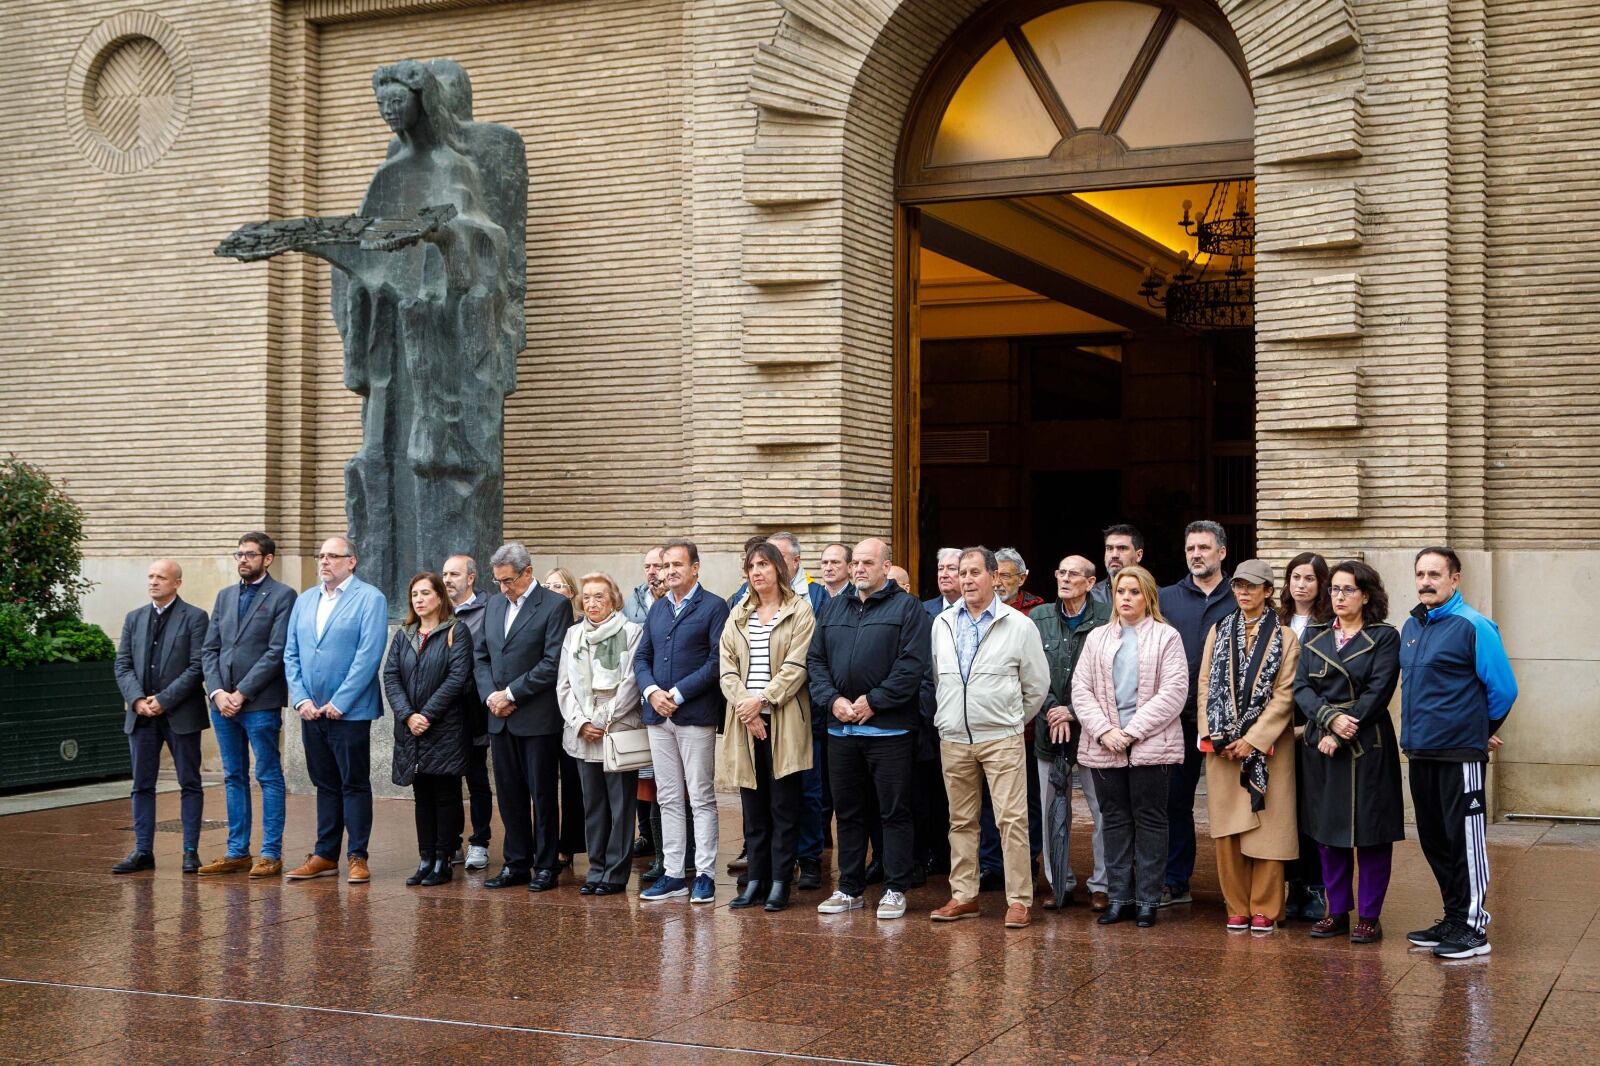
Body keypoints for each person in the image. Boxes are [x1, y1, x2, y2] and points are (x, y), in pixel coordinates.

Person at [1401, 547, 1517, 960]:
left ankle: (1473, 928)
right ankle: (1453, 917)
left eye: (1435, 573)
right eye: (1420, 573)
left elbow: (1504, 689)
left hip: (1459, 755)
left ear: (1455, 579)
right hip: (1420, 752)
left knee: (1465, 841)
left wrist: (1478, 731)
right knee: (1435, 840)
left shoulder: (1474, 625)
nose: (1426, 581)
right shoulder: (1412, 626)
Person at [808, 537, 930, 920]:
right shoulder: (832, 607)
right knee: (848, 812)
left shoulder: (907, 608)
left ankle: (895, 887)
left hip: (889, 731)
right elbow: (816, 662)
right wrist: (834, 701)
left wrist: (872, 701)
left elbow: (911, 666)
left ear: (885, 566)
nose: (859, 568)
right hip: (841, 730)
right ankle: (849, 889)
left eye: (867, 563)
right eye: (855, 562)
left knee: (894, 812)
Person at [928, 546, 1050, 929]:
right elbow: (938, 677)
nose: (965, 579)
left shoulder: (1018, 624)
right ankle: (964, 896)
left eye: (974, 572)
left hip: (1001, 736)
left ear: (994, 577)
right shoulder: (943, 623)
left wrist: (1011, 719)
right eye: (961, 572)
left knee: (1011, 820)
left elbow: (1037, 685)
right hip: (954, 737)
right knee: (960, 821)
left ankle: (1019, 900)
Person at [1073, 565, 1189, 928]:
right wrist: (1106, 731)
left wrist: (1132, 731)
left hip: (1150, 745)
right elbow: (1081, 690)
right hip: (1105, 745)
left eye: (1135, 592)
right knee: (1115, 821)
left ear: (1148, 597)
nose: (1126, 598)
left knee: (1152, 821)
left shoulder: (1166, 637)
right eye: (1121, 591)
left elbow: (1174, 692)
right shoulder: (1097, 638)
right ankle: (1119, 896)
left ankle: (1147, 900)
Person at [1296, 560, 1402, 945]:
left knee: (1372, 835)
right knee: (1327, 834)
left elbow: (1379, 692)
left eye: (1348, 590)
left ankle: (1370, 917)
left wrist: (1342, 731)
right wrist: (1327, 720)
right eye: (1335, 590)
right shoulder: (1314, 634)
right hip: (1321, 742)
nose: (1339, 597)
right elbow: (1301, 687)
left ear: (1366, 595)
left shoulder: (1385, 637)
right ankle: (1337, 911)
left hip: (1366, 745)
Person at [1198, 559, 1301, 935]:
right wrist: (1218, 735)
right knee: (1228, 829)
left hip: (1269, 750)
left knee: (1269, 830)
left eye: (1251, 586)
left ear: (1269, 592)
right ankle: (1237, 906)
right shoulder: (1219, 630)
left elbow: (1284, 695)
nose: (1243, 592)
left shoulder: (1286, 637)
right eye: (1238, 585)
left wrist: (1253, 739)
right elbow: (1206, 685)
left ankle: (1266, 908)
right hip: (1224, 749)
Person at [282, 537, 388, 884]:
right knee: (324, 784)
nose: (325, 562)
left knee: (353, 783)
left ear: (351, 561)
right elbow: (291, 653)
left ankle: (358, 855)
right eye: (322, 556)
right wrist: (301, 700)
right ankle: (325, 855)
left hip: (349, 712)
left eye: (333, 556)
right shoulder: (305, 600)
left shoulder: (370, 598)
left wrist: (340, 702)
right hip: (311, 711)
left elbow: (368, 655)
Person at [719, 542, 815, 912]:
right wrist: (748, 710)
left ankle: (779, 882)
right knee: (753, 810)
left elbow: (797, 667)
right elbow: (726, 666)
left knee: (783, 807)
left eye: (764, 564)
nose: (757, 571)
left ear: (779, 568)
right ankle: (755, 880)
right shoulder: (739, 613)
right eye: (751, 566)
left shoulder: (799, 611)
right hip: (746, 723)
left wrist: (762, 700)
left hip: (784, 720)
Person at [474, 542, 574, 892]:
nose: (504, 588)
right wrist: (491, 696)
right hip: (499, 717)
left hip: (537, 717)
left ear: (528, 572)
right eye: (499, 581)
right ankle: (516, 862)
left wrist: (511, 693)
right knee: (510, 794)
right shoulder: (494, 604)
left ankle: (546, 864)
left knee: (543, 794)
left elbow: (552, 662)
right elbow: (481, 656)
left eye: (509, 580)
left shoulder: (555, 606)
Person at [637, 539, 729, 903]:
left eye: (678, 564)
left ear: (695, 568)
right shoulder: (658, 609)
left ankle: (704, 873)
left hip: (693, 715)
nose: (669, 570)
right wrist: (651, 693)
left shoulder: (714, 607)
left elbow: (717, 661)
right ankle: (673, 873)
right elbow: (641, 657)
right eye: (665, 565)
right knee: (668, 796)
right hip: (657, 717)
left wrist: (675, 694)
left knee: (701, 796)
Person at [198, 533, 294, 878]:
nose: (242, 560)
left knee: (267, 774)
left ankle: (270, 853)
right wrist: (218, 693)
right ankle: (237, 851)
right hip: (222, 704)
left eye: (250, 555)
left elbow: (276, 650)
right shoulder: (224, 597)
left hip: (259, 704)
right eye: (239, 554)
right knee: (232, 775)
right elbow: (210, 650)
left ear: (267, 559)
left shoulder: (283, 595)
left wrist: (242, 694)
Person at [111, 560, 210, 874]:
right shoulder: (134, 618)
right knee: (142, 784)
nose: (153, 582)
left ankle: (190, 851)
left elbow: (198, 667)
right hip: (141, 716)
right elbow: (122, 665)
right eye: (150, 576)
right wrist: (138, 699)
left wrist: (164, 700)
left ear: (177, 583)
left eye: (161, 577)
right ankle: (143, 851)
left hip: (181, 713)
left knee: (190, 783)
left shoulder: (195, 618)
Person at [1156, 519, 1232, 907]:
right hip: (1176, 719)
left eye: (1204, 548)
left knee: (1236, 803)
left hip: (1229, 722)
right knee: (1175, 802)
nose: (1196, 555)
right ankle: (1175, 881)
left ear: (1222, 552)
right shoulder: (1165, 598)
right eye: (1191, 549)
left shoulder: (1240, 596)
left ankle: (1242, 889)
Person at [1029, 554, 1112, 910]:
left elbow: (1110, 677)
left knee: (1102, 810)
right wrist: (1052, 709)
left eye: (1073, 574)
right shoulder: (1039, 617)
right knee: (1050, 809)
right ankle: (1058, 882)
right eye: (1060, 571)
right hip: (1050, 727)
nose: (1064, 578)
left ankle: (1102, 885)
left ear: (1091, 582)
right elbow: (1029, 671)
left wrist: (1075, 712)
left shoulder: (1108, 619)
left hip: (1095, 729)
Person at [556, 573, 645, 896]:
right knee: (592, 805)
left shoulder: (632, 632)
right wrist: (581, 722)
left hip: (616, 730)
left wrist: (603, 720)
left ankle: (616, 873)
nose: (592, 603)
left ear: (614, 600)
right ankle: (595, 870)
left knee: (621, 806)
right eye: (587, 597)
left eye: (599, 597)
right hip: (583, 732)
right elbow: (564, 685)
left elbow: (632, 682)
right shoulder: (572, 635)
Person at [385, 572, 473, 887]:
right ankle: (425, 858)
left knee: (445, 794)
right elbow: (391, 677)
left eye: (425, 593)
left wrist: (427, 715)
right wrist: (409, 715)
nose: (419, 600)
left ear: (439, 596)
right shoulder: (404, 634)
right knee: (421, 793)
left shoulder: (456, 632)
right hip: (411, 729)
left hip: (444, 727)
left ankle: (443, 859)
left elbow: (457, 677)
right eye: (414, 595)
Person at [1278, 552, 1332, 920]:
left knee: (1312, 810)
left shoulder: (1330, 624)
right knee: (1284, 810)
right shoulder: (1275, 619)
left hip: (1312, 728)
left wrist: (1309, 725)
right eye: (1296, 577)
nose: (1301, 585)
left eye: (1310, 579)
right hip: (1276, 728)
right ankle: (1291, 884)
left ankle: (1315, 886)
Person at [441, 553, 492, 870]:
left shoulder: (488, 611)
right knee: (447, 779)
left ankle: (480, 842)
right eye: (445, 574)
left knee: (476, 778)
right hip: (443, 711)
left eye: (454, 574)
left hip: (473, 710)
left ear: (471, 578)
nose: (447, 580)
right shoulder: (437, 610)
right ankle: (452, 842)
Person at [542, 565, 588, 869]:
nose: (551, 590)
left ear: (570, 593)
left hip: (574, 713)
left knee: (573, 782)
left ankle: (568, 844)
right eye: (546, 585)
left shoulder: (582, 627)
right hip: (545, 711)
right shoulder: (540, 621)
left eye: (557, 585)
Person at [1091, 524, 1145, 605]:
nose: (1114, 555)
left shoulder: (1157, 595)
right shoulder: (1091, 595)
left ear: (1139, 555)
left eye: (1122, 548)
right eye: (1109, 548)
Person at [624, 546, 666, 625]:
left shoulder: (677, 599)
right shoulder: (629, 604)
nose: (651, 571)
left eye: (657, 566)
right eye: (647, 567)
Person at [995, 548, 1045, 613]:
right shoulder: (980, 605)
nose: (997, 582)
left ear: (1021, 579)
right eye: (993, 575)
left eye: (1005, 576)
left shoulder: (1036, 611)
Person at [923, 547, 962, 618]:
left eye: (951, 568)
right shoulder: (922, 609)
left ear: (964, 573)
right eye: (940, 569)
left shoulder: (977, 608)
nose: (943, 575)